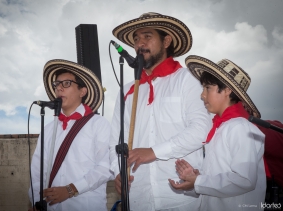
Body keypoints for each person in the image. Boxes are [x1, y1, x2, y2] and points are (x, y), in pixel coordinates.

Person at [109, 12, 211, 210]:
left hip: (180, 197)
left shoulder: (188, 79)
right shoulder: (127, 90)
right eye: (136, 39)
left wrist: (154, 152)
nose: (140, 43)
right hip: (138, 197)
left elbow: (202, 129)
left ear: (167, 41)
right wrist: (117, 171)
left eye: (147, 36)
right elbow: (115, 139)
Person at [169, 55, 266, 211]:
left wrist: (199, 181)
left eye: (207, 88)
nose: (202, 95)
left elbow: (244, 179)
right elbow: (220, 178)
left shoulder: (241, 128)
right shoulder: (221, 128)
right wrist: (195, 178)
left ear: (227, 90)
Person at [28, 60, 112, 211]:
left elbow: (106, 167)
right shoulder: (48, 130)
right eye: (57, 84)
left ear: (82, 91)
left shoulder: (99, 124)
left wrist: (71, 189)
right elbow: (37, 173)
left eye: (66, 83)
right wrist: (36, 201)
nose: (59, 88)